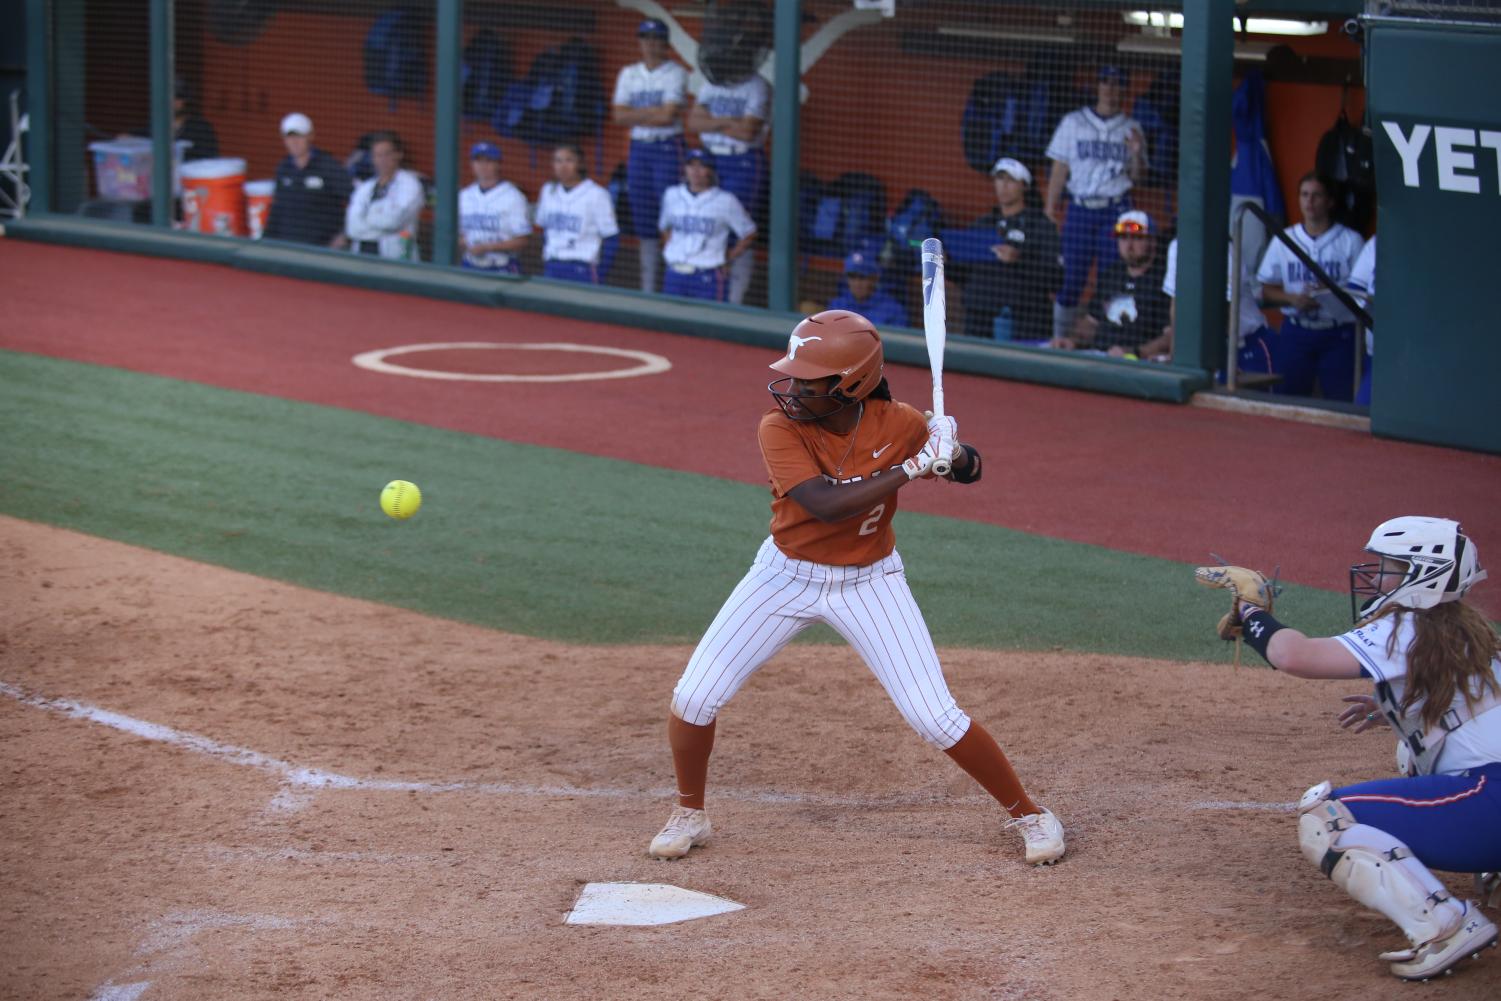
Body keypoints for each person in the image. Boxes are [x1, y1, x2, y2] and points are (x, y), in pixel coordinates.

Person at [645, 309, 1066, 867]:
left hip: (871, 582)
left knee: (933, 717)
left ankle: (1030, 814)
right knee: (694, 698)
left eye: (807, 380)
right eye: (793, 374)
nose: (791, 388)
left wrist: (952, 452)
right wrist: (915, 468)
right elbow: (825, 506)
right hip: (784, 576)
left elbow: (973, 471)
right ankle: (690, 812)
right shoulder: (780, 426)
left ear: (851, 384)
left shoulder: (903, 423)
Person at [1223, 516, 1499, 982]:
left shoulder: (1409, 627)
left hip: (1493, 801)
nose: (1377, 576)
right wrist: (1395, 704)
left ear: (1422, 574)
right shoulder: (1476, 638)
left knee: (1327, 820)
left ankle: (1445, 926)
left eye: (1390, 566)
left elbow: (1295, 655)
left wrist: (1252, 614)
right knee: (1410, 754)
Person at [1044, 65, 1149, 343]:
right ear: (1098, 86)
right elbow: (1059, 169)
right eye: (1106, 82)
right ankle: (1059, 339)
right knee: (1071, 278)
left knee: (1110, 280)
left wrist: (1137, 154)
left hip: (1115, 208)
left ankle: (1106, 342)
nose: (1110, 89)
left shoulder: (1131, 128)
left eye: (1117, 83)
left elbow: (1138, 178)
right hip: (1079, 208)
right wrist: (1049, 209)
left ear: (1124, 88)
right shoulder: (1073, 122)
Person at [1255, 172, 1366, 401]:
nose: (1309, 201)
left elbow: (1365, 293)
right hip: (1296, 331)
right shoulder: (1284, 239)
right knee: (1288, 400)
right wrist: (1292, 299)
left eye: (1316, 195)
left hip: (1339, 333)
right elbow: (1263, 288)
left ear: (1330, 201)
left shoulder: (1351, 240)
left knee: (1342, 403)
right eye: (1304, 195)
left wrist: (1332, 289)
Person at [611, 17, 689, 293]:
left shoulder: (676, 73)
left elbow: (668, 117)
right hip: (639, 149)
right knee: (642, 214)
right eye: (646, 38)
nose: (651, 44)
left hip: (668, 148)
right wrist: (650, 115)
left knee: (670, 213)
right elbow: (619, 115)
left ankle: (673, 283)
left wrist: (637, 115)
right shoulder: (629, 73)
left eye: (656, 39)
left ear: (665, 44)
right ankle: (647, 288)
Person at [687, 65, 770, 304]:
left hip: (742, 159)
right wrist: (729, 121)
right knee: (710, 223)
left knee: (738, 229)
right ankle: (711, 290)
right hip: (710, 157)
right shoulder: (712, 82)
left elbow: (748, 131)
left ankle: (735, 299)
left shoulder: (757, 85)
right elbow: (693, 122)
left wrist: (712, 121)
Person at [958, 157, 1060, 342]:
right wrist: (946, 263)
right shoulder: (982, 223)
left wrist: (1019, 260)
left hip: (1023, 318)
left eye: (1011, 180)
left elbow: (1056, 278)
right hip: (978, 316)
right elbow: (963, 274)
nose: (1003, 185)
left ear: (1025, 186)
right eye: (1000, 178)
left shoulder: (1041, 226)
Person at [1053, 210, 1170, 360]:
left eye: (1136, 238)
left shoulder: (1164, 281)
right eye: (1123, 238)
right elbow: (1091, 322)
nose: (1128, 245)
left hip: (1139, 362)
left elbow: (1170, 336)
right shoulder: (1111, 274)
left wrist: (1136, 352)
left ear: (1153, 241)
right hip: (1100, 356)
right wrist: (1072, 340)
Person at [1163, 235, 1279, 381]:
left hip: (1250, 344)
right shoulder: (1177, 246)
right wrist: (1175, 355)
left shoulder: (1226, 249)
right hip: (1213, 352)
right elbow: (1177, 304)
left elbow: (1226, 310)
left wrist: (1219, 358)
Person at [657, 148, 756, 302]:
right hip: (674, 274)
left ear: (710, 171)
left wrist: (728, 257)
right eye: (691, 165)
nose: (695, 171)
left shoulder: (726, 200)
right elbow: (664, 227)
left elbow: (749, 232)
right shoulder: (672, 195)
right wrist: (673, 248)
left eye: (701, 166)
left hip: (707, 276)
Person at [264, 112, 353, 249]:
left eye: (299, 136)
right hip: (287, 248)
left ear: (310, 136)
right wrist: (265, 243)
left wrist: (344, 234)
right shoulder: (283, 169)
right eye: (290, 137)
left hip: (321, 250)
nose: (294, 142)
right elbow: (277, 210)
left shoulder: (328, 166)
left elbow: (356, 201)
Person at [535, 143, 620, 284]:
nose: (563, 166)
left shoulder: (597, 194)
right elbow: (543, 230)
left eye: (569, 160)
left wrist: (601, 272)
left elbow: (611, 237)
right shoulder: (547, 191)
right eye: (558, 161)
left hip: (582, 267)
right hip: (552, 264)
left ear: (580, 164)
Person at [343, 131, 425, 260]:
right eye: (378, 155)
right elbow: (352, 227)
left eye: (387, 154)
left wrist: (366, 218)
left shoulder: (410, 184)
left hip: (397, 260)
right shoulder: (365, 188)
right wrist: (380, 218)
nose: (382, 160)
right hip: (362, 257)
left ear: (398, 155)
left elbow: (393, 221)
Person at [457, 141, 530, 275]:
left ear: (498, 164)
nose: (483, 166)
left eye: (488, 161)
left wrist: (488, 247)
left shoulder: (513, 197)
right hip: (470, 264)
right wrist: (466, 243)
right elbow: (457, 234)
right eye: (478, 161)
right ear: (472, 164)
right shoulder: (464, 196)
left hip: (502, 266)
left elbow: (522, 240)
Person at [124, 76, 219, 161]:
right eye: (168, 97)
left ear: (186, 101)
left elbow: (209, 162)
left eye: (178, 97)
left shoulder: (200, 128)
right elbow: (140, 137)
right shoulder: (157, 126)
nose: (172, 102)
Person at [828, 251, 908, 328]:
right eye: (852, 276)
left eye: (862, 277)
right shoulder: (837, 306)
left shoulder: (893, 310)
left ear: (875, 279)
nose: (857, 283)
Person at [1344, 235, 1377, 406]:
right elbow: (1355, 291)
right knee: (1362, 411)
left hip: (1416, 351)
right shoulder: (1377, 242)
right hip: (1378, 353)